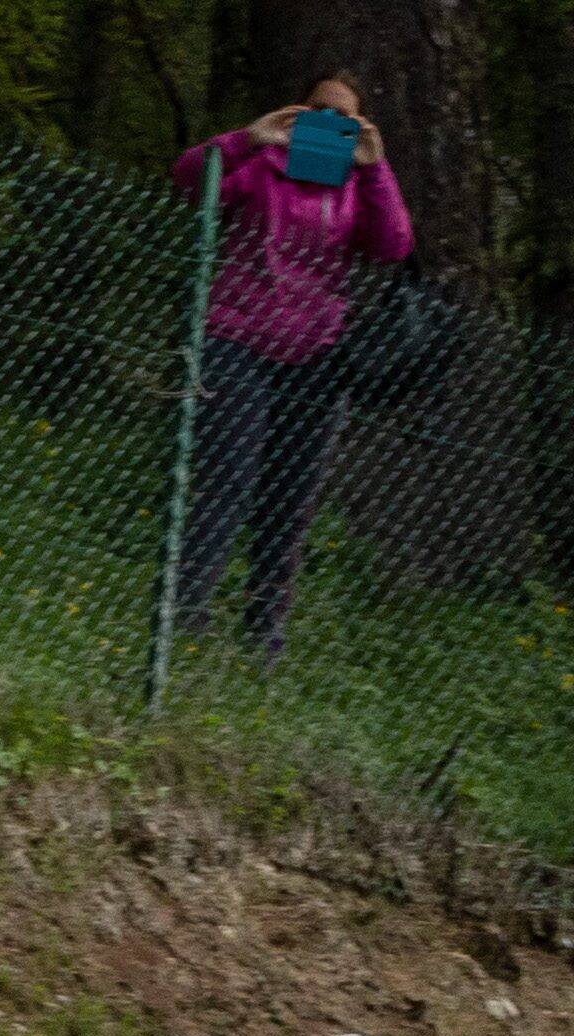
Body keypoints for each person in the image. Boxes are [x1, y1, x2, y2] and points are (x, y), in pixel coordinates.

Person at [165, 81, 416, 659]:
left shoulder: (357, 187)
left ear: (359, 128)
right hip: (237, 338)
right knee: (228, 477)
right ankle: (186, 611)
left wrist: (376, 169)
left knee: (292, 495)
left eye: (344, 119)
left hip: (320, 355)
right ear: (299, 115)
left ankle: (263, 633)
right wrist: (248, 138)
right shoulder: (263, 167)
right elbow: (188, 181)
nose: (330, 125)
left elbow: (394, 246)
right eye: (319, 114)